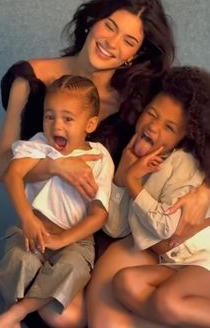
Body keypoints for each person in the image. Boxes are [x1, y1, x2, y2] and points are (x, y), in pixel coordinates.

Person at [0, 0, 210, 327]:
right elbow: (0, 167)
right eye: (110, 25)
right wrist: (53, 166)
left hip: (113, 227)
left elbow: (199, 124)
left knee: (90, 312)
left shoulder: (139, 92)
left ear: (134, 55)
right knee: (66, 316)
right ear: (93, 20)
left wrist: (205, 191)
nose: (112, 43)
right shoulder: (30, 79)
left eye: (129, 41)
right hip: (50, 218)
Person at [0, 75, 114, 328]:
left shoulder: (99, 157)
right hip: (36, 227)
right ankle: (11, 304)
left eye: (68, 118)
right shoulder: (40, 145)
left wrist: (64, 240)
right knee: (20, 260)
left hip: (75, 238)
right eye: (49, 116)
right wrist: (27, 217)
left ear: (90, 124)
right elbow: (12, 174)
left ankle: (16, 313)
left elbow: (98, 215)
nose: (57, 125)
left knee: (72, 268)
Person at [87, 66, 210, 328]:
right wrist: (122, 175)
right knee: (126, 283)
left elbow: (165, 231)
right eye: (151, 114)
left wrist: (133, 183)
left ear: (182, 137)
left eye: (169, 127)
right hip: (179, 261)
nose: (154, 127)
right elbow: (116, 228)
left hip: (202, 255)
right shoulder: (135, 160)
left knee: (168, 302)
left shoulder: (182, 164)